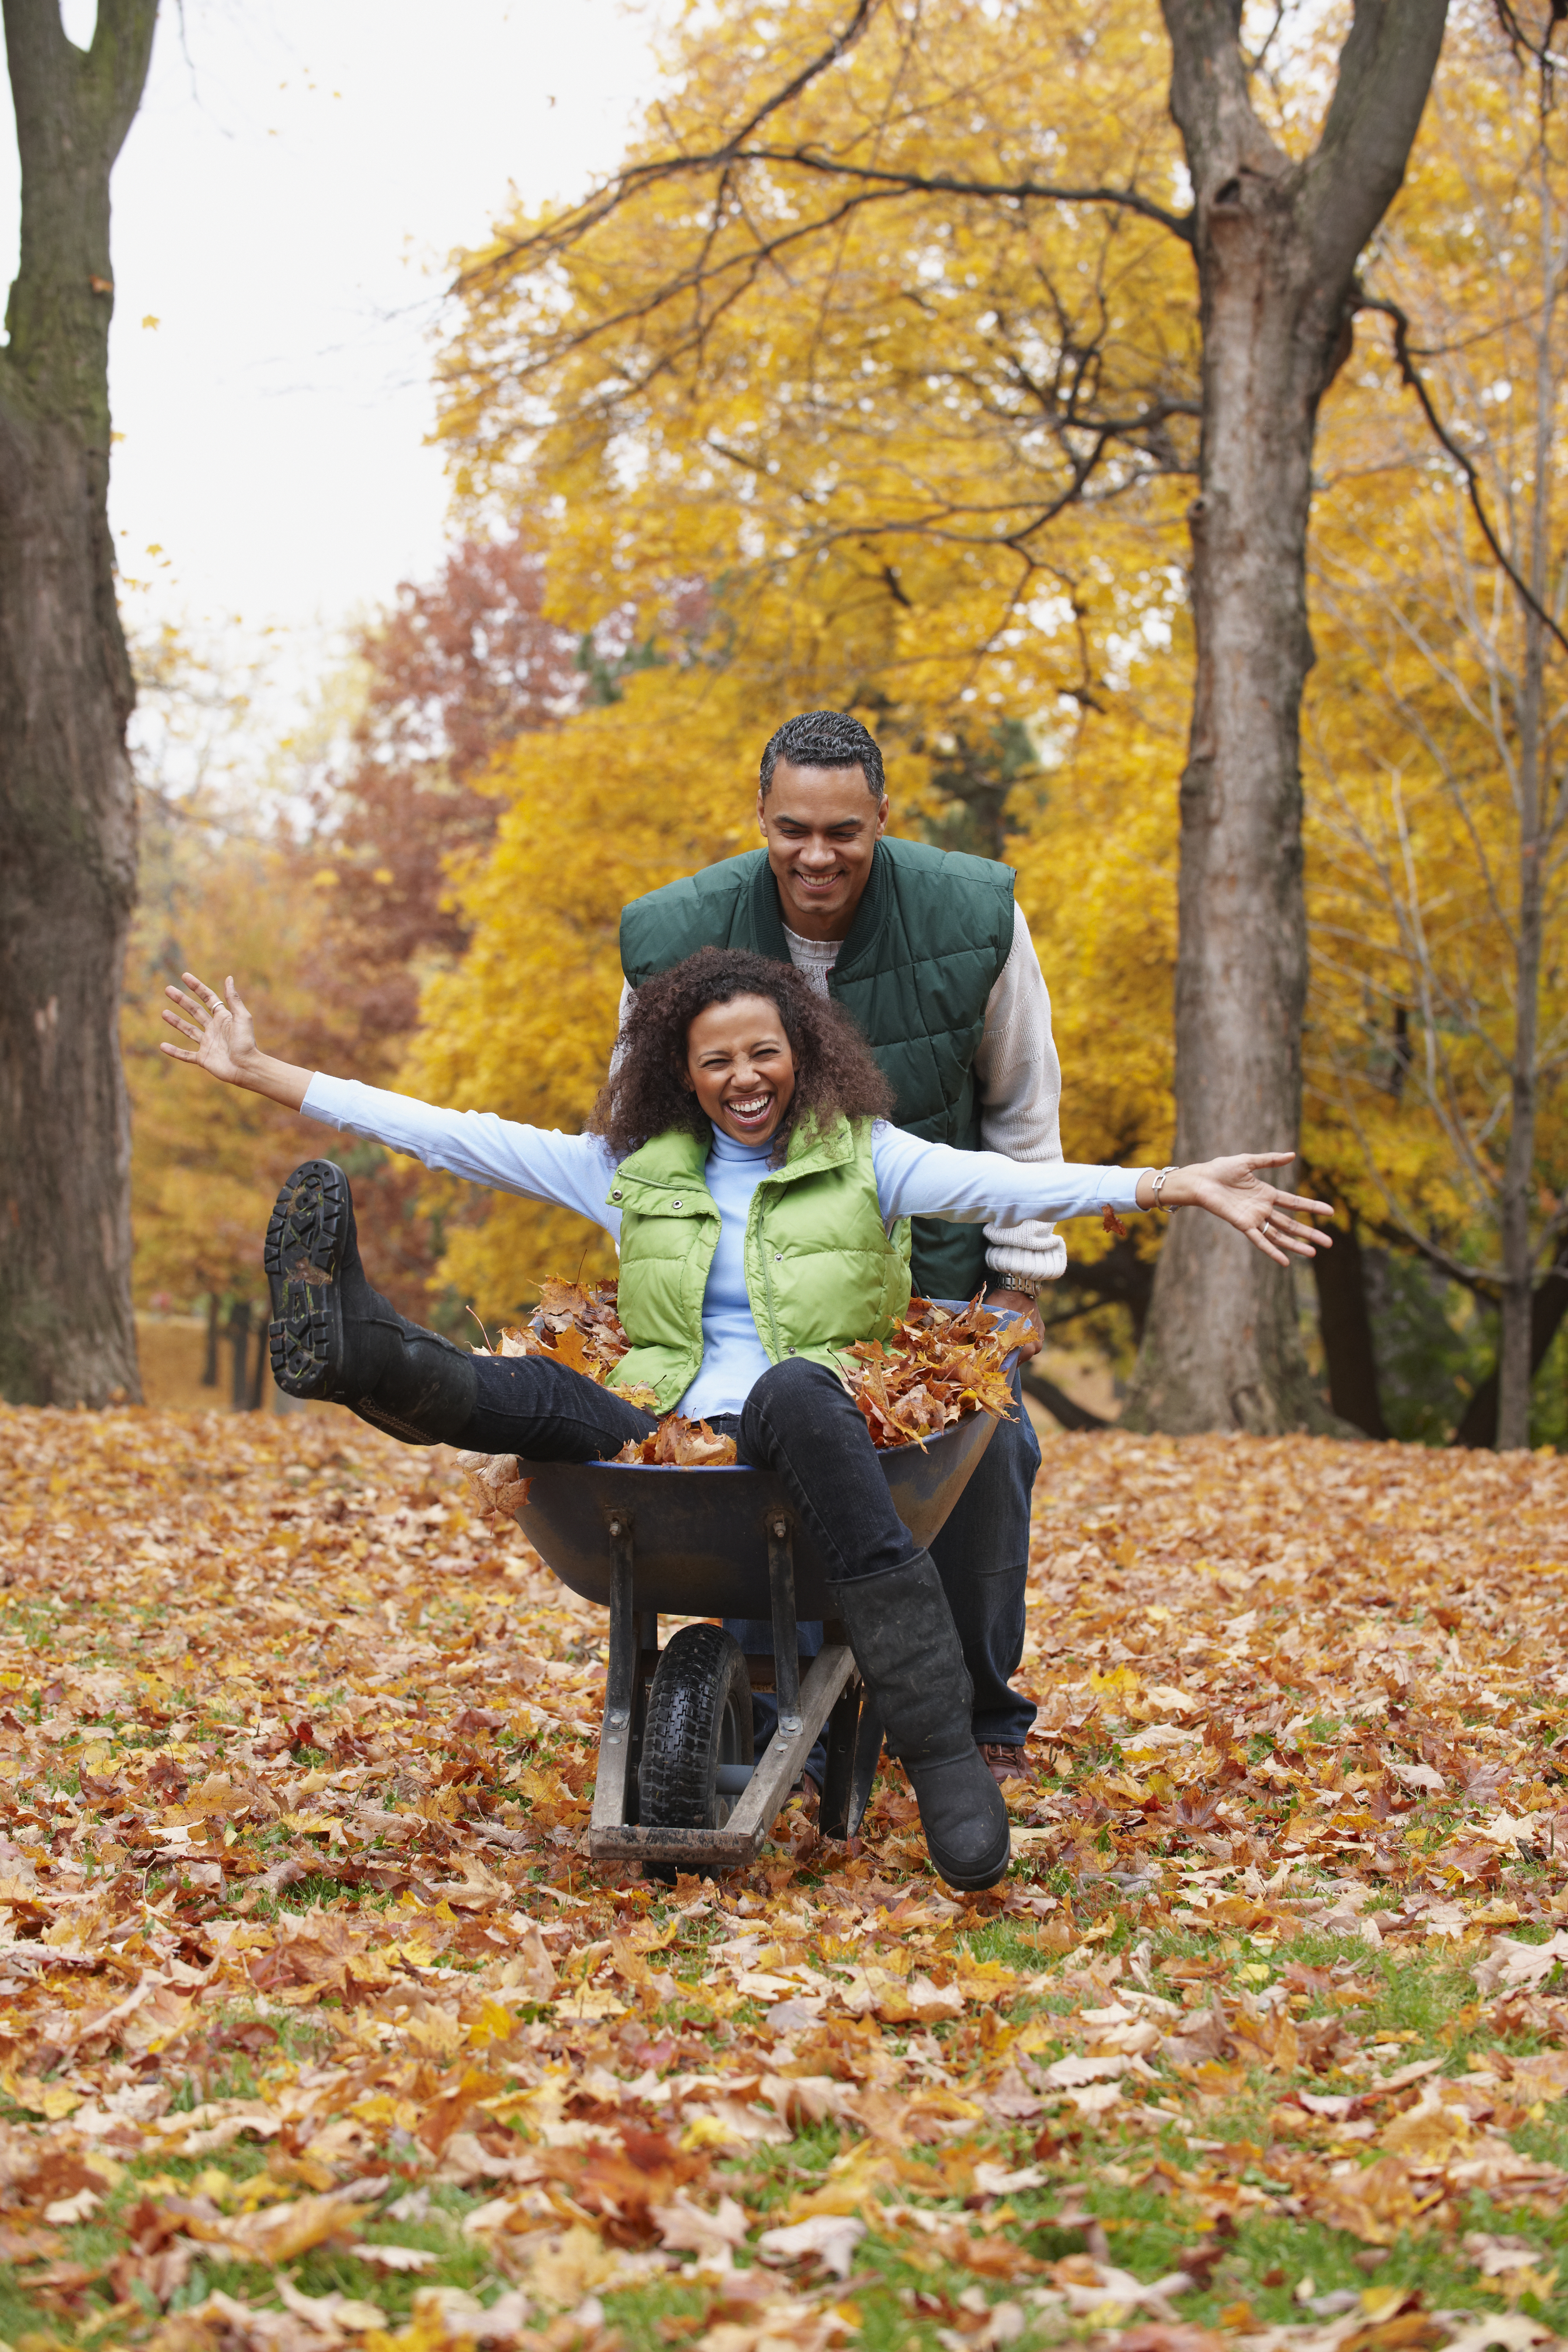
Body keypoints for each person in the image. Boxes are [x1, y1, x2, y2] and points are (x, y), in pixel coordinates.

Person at [160, 949, 1332, 1891]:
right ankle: (360, 1347)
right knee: (533, 1395)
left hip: (808, 1428)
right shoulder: (631, 1168)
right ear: (684, 1072)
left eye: (764, 1052)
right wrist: (269, 1074)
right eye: (716, 1060)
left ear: (802, 1055)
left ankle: (938, 1754)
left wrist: (1171, 1184)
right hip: (664, 1431)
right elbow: (454, 1131)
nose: (744, 1077)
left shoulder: (869, 1158)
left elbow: (1010, 1185)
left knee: (789, 1386)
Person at [619, 709, 1067, 1786]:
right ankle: (775, 1691)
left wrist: (1019, 1281)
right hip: (747, 1276)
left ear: (881, 820)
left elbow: (1023, 1111)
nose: (817, 855)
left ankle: (977, 1709)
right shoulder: (676, 933)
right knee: (748, 1462)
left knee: (988, 1453)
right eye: (793, 830)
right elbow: (641, 1125)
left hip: (933, 1271)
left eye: (843, 832)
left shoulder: (973, 917)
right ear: (761, 818)